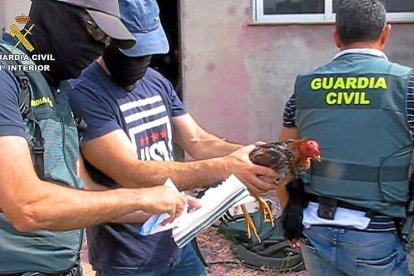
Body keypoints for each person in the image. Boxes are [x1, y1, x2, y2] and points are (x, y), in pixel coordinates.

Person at [68, 0, 277, 274]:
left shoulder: (156, 81)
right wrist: (226, 167)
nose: (141, 60)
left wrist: (251, 156)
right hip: (130, 258)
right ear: (106, 38)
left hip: (179, 240)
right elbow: (130, 172)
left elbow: (198, 141)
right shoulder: (85, 92)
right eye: (132, 50)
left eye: (147, 51)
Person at [0, 0, 195, 275]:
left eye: (108, 39)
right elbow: (26, 206)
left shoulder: (58, 86)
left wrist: (167, 204)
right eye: (95, 30)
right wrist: (138, 198)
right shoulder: (6, 75)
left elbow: (84, 192)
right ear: (55, 14)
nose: (99, 48)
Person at [279, 0, 414, 275]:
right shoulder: (407, 86)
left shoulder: (304, 88)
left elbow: (285, 163)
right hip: (375, 233)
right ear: (386, 33)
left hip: (313, 227)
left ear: (337, 37)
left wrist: (289, 219)